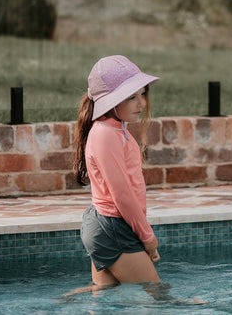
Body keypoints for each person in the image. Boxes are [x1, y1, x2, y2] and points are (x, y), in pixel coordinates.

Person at [73, 54, 161, 291]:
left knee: (105, 296)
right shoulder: (105, 134)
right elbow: (122, 195)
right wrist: (147, 238)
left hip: (109, 225)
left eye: (142, 93)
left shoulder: (114, 129)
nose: (141, 103)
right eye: (131, 97)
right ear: (110, 102)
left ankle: (69, 299)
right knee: (159, 296)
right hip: (112, 226)